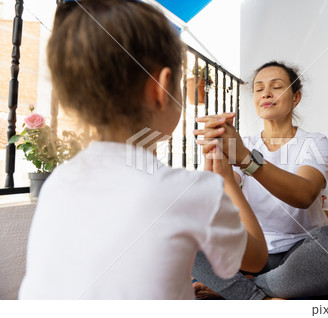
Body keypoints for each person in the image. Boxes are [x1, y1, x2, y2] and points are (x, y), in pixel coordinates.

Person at [18, 0, 267, 300]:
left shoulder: (57, 183)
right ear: (160, 89)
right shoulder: (188, 191)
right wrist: (226, 180)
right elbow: (255, 258)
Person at [192, 61, 328, 300]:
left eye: (276, 87)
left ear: (295, 98)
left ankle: (244, 290)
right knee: (173, 227)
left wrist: (246, 158)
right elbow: (216, 197)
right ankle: (263, 296)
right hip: (248, 253)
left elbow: (304, 195)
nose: (266, 93)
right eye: (259, 88)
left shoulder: (314, 142)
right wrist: (215, 158)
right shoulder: (243, 143)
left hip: (301, 253)